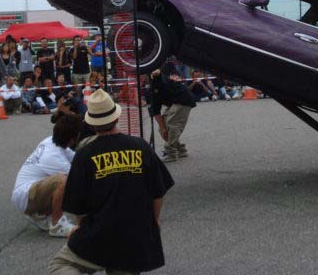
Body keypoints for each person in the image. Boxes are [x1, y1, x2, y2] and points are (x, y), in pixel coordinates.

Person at [48, 89, 174, 274]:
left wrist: (81, 230)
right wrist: (154, 221)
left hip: (99, 235)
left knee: (59, 265)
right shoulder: (141, 146)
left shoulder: (84, 155)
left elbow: (79, 207)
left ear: (91, 124)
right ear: (116, 117)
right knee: (124, 265)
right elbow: (158, 191)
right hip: (136, 237)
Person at [11, 114, 79, 237]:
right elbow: (79, 180)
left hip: (26, 193)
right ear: (73, 138)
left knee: (66, 181)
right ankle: (57, 225)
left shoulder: (51, 141)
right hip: (26, 196)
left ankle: (41, 214)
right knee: (64, 181)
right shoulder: (53, 157)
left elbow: (77, 159)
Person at [151, 67, 196, 163]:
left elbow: (159, 73)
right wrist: (163, 128)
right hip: (174, 102)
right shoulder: (151, 90)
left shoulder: (157, 79)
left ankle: (171, 153)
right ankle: (180, 150)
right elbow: (155, 111)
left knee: (173, 124)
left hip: (184, 98)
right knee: (163, 127)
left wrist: (156, 72)